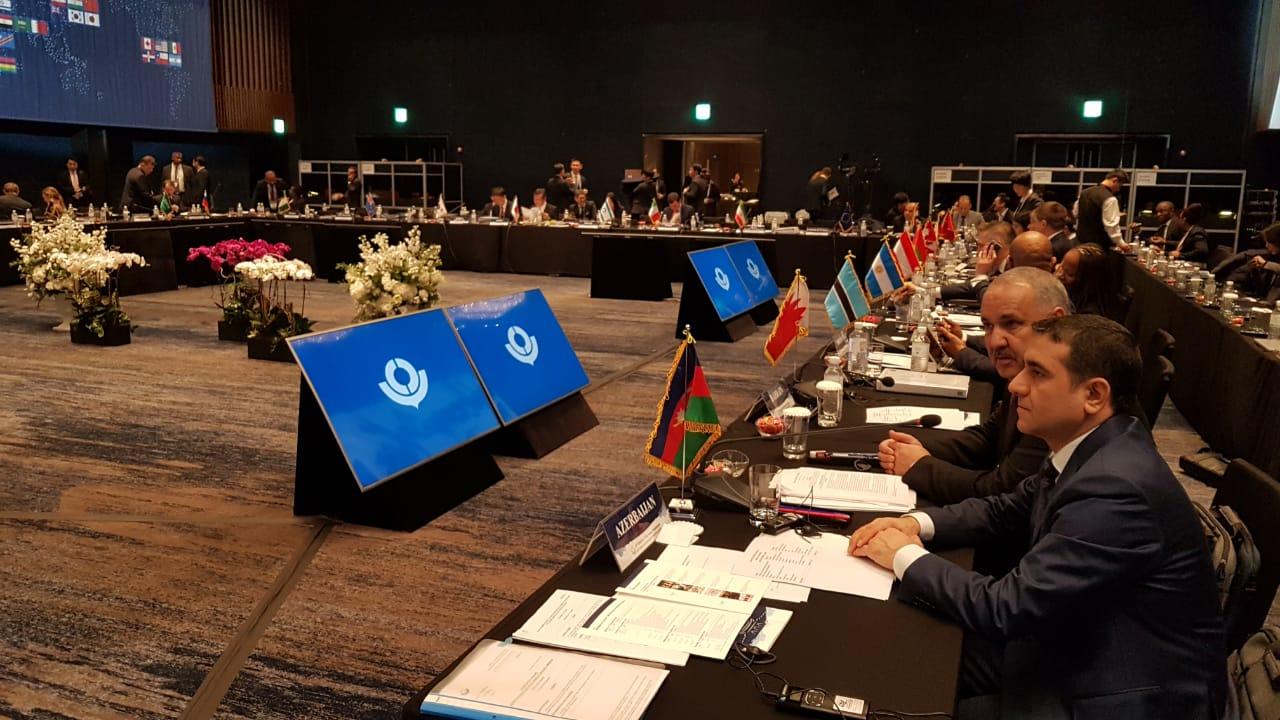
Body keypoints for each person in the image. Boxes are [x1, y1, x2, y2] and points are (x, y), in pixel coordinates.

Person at [850, 314, 1227, 720]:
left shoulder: (1115, 487)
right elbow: (1006, 509)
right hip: (1071, 640)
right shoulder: (1091, 444)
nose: (1016, 385)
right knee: (900, 648)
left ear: (1094, 395)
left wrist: (903, 555)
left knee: (904, 695)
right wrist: (915, 524)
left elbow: (1006, 608)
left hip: (1115, 692)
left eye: (1038, 373)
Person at [884, 268, 1065, 504]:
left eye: (1011, 324)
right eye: (988, 326)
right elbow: (989, 438)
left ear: (1055, 322)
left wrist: (919, 466)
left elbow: (1003, 492)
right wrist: (911, 447)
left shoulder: (1062, 392)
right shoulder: (1025, 373)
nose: (995, 341)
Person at [1057, 244, 1128, 322]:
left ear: (1088, 281)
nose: (1060, 275)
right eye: (1061, 267)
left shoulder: (1089, 317)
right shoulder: (1074, 295)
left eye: (1070, 274)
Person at [1212, 221, 1280, 301]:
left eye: (1269, 242)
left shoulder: (1269, 261)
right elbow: (1262, 290)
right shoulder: (1271, 257)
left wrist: (1265, 264)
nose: (1266, 245)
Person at [1074, 169, 1130, 253]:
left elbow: (1076, 213)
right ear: (1115, 180)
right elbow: (1111, 226)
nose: (1119, 189)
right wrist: (1121, 243)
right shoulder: (1110, 198)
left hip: (1080, 243)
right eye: (1120, 185)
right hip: (1098, 247)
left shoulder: (1084, 192)